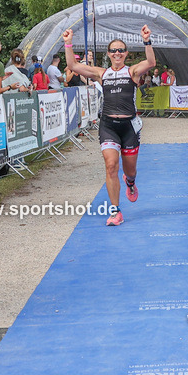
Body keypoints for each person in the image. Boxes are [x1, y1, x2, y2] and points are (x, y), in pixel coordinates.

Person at [62, 25, 155, 226]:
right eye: (113, 50)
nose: (117, 53)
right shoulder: (101, 73)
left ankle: (130, 182)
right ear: (108, 54)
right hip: (109, 126)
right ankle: (115, 211)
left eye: (121, 50)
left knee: (130, 171)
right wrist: (68, 43)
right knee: (111, 165)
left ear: (126, 54)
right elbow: (73, 66)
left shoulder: (133, 71)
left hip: (129, 127)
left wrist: (146, 40)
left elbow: (151, 62)